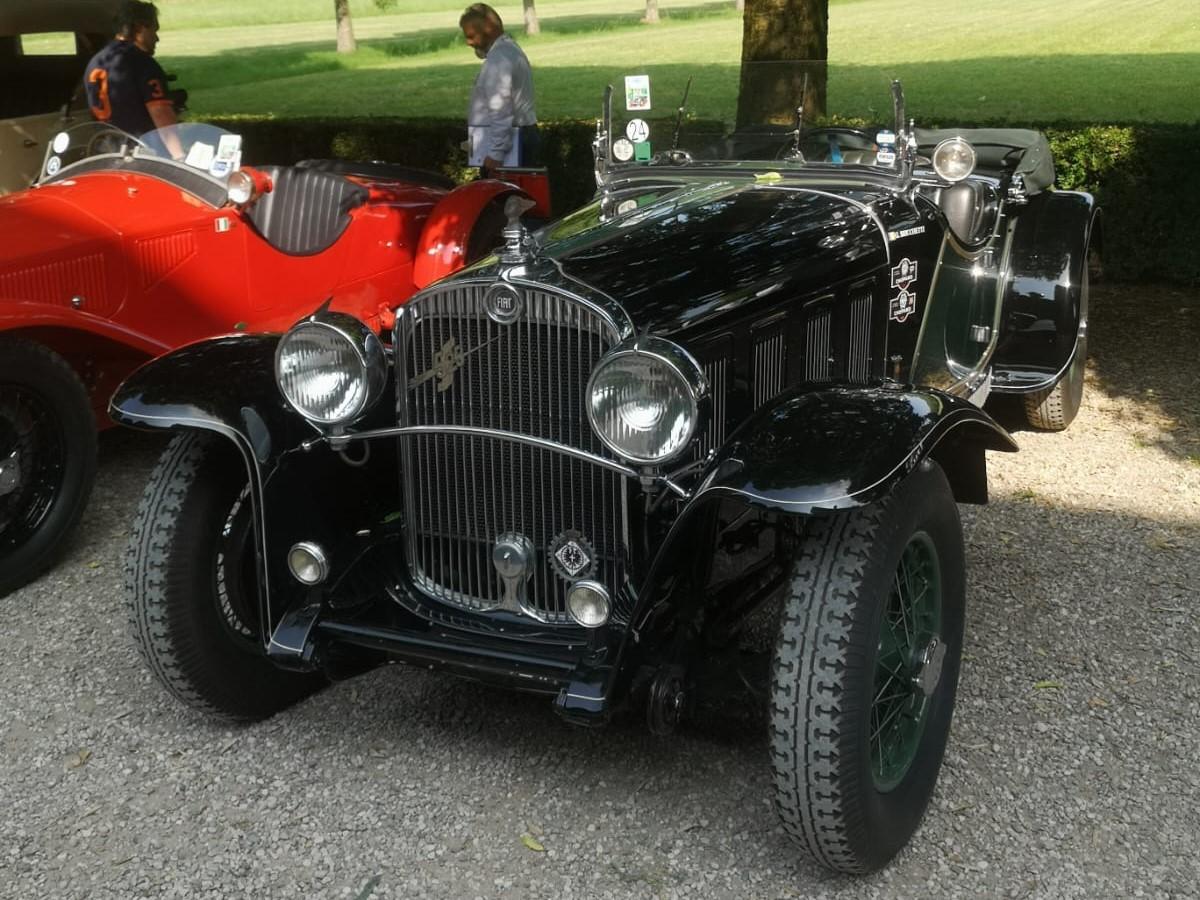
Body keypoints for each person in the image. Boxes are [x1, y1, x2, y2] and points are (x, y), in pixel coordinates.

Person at [84, 1, 181, 156]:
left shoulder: (96, 62)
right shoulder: (142, 63)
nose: (157, 38)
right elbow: (160, 112)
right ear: (139, 27)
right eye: (154, 30)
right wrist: (179, 156)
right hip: (139, 152)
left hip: (105, 151)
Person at [460, 4, 538, 177]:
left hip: (511, 145)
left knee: (507, 200)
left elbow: (500, 109)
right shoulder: (510, 50)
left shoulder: (498, 60)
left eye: (472, 36)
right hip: (520, 137)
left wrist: (496, 153)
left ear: (488, 29)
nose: (469, 42)